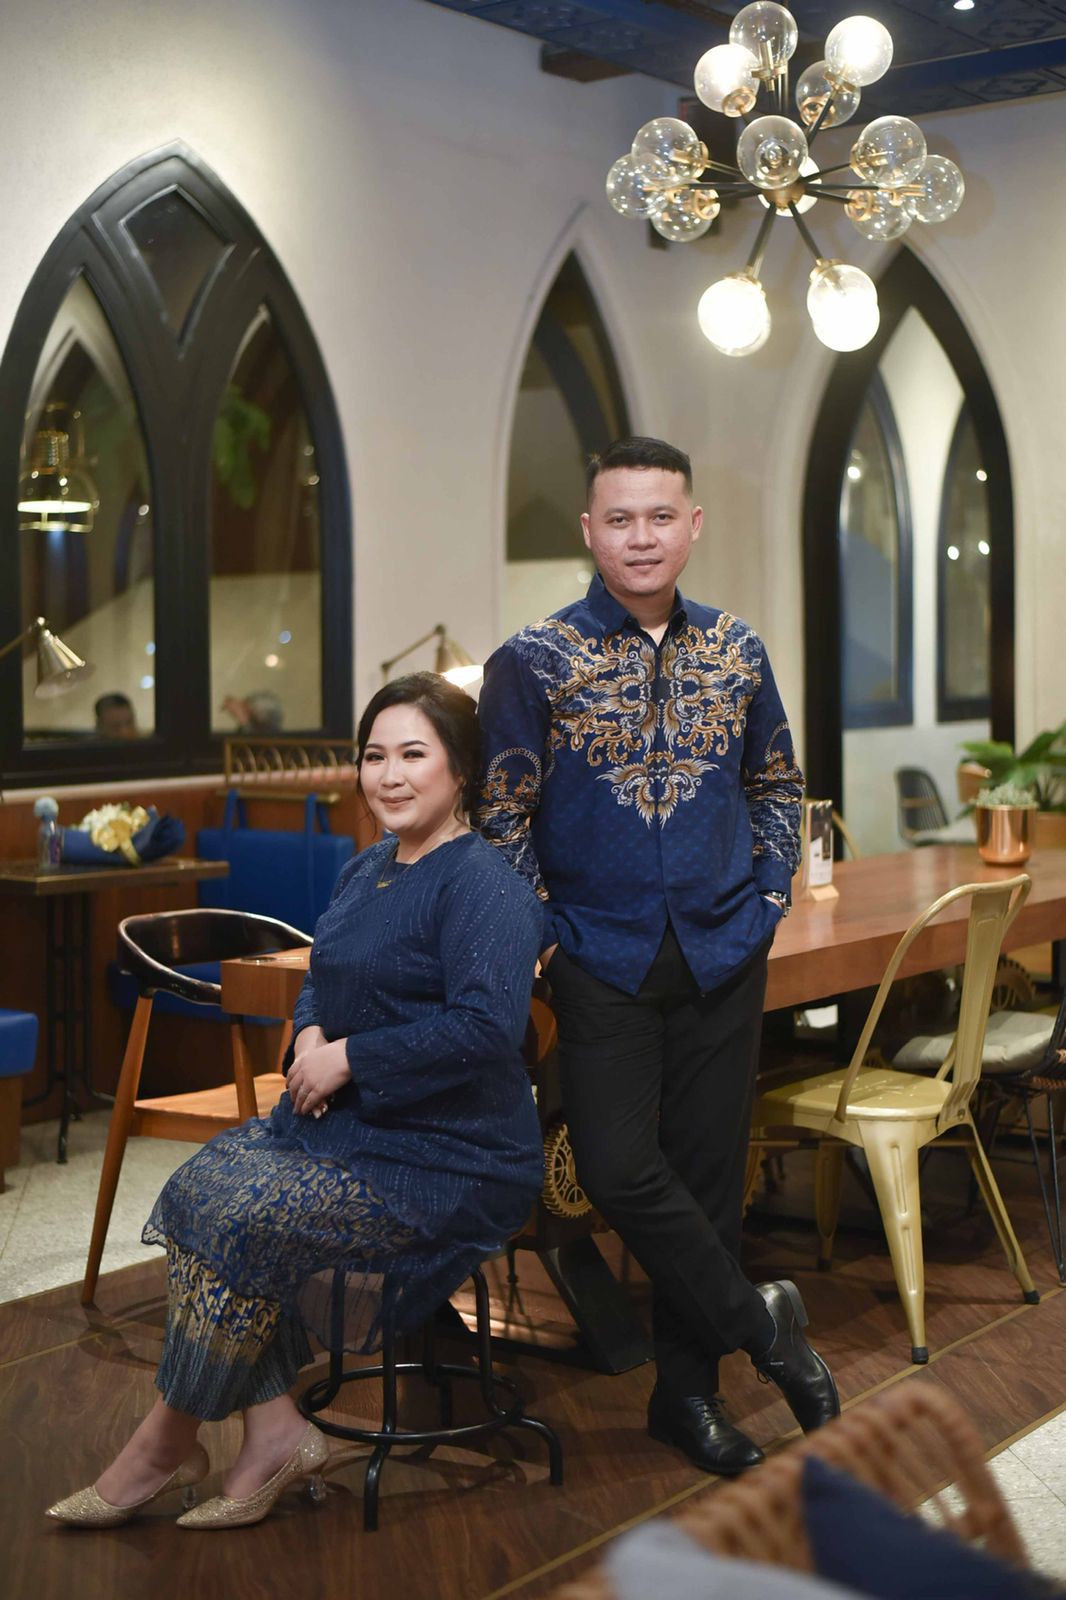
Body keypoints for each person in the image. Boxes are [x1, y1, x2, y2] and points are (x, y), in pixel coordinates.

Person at [47, 673, 545, 1529]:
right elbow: (322, 974)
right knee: (200, 1189)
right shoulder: (365, 869)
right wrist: (310, 1035)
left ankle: (164, 1445)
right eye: (374, 757)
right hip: (350, 1129)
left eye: (413, 755)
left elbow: (485, 1031)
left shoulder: (485, 885)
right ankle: (275, 1429)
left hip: (452, 1154)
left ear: (461, 769)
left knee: (245, 1216)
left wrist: (351, 1058)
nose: (389, 775)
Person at [477, 436, 839, 1476]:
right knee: (613, 1166)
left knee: (711, 1182)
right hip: (600, 956)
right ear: (590, 530)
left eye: (660, 516)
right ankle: (765, 1326)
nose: (642, 537)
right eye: (621, 518)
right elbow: (502, 814)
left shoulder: (738, 649)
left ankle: (687, 1397)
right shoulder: (532, 659)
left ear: (692, 526)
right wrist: (548, 938)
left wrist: (767, 896)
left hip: (725, 949)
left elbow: (777, 784)